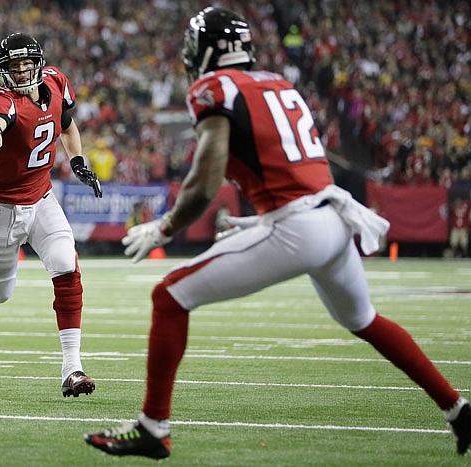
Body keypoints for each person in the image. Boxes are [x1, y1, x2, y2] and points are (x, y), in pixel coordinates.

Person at [84, 7, 470, 459]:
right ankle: (458, 409)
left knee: (169, 296)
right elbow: (291, 167)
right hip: (330, 216)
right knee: (363, 319)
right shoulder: (278, 83)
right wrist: (263, 218)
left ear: (207, 50)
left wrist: (166, 227)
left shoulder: (213, 88)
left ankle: (153, 428)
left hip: (300, 228)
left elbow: (205, 179)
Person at [0, 33, 102, 398]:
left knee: (66, 265)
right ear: (4, 72)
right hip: (1, 207)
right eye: (14, 67)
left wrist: (77, 160)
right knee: (0, 293)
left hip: (42, 197)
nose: (22, 71)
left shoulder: (57, 82)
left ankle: (72, 367)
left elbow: (67, 123)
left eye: (27, 64)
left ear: (39, 63)